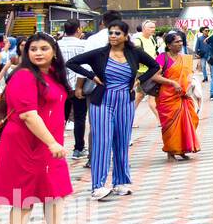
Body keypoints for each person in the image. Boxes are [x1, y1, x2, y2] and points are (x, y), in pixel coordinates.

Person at [0, 33, 80, 224]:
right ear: (26, 52)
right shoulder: (23, 76)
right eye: (33, 49)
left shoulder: (52, 75)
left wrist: (54, 141)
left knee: (55, 191)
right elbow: (28, 115)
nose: (38, 53)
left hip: (48, 145)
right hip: (26, 144)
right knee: (23, 197)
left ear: (54, 51)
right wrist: (52, 142)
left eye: (44, 48)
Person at [68, 20, 160, 200]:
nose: (113, 36)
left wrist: (140, 80)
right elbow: (72, 63)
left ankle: (120, 182)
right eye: (110, 33)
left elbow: (155, 66)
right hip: (102, 101)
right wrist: (92, 76)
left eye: (117, 33)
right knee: (102, 142)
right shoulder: (99, 54)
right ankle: (98, 186)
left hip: (125, 101)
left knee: (122, 141)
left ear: (126, 36)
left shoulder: (134, 53)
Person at [156, 32, 200, 161]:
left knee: (190, 120)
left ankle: (182, 149)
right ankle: (170, 152)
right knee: (170, 125)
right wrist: (172, 82)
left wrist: (189, 86)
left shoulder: (185, 58)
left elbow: (188, 75)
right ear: (169, 45)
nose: (180, 44)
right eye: (176, 42)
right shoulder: (162, 58)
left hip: (183, 96)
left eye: (181, 41)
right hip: (167, 97)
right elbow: (155, 76)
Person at [57, 20, 89, 159]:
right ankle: (78, 148)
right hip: (78, 86)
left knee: (59, 118)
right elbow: (86, 67)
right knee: (79, 118)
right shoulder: (84, 45)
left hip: (60, 86)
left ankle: (56, 146)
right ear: (78, 30)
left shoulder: (56, 45)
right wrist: (79, 87)